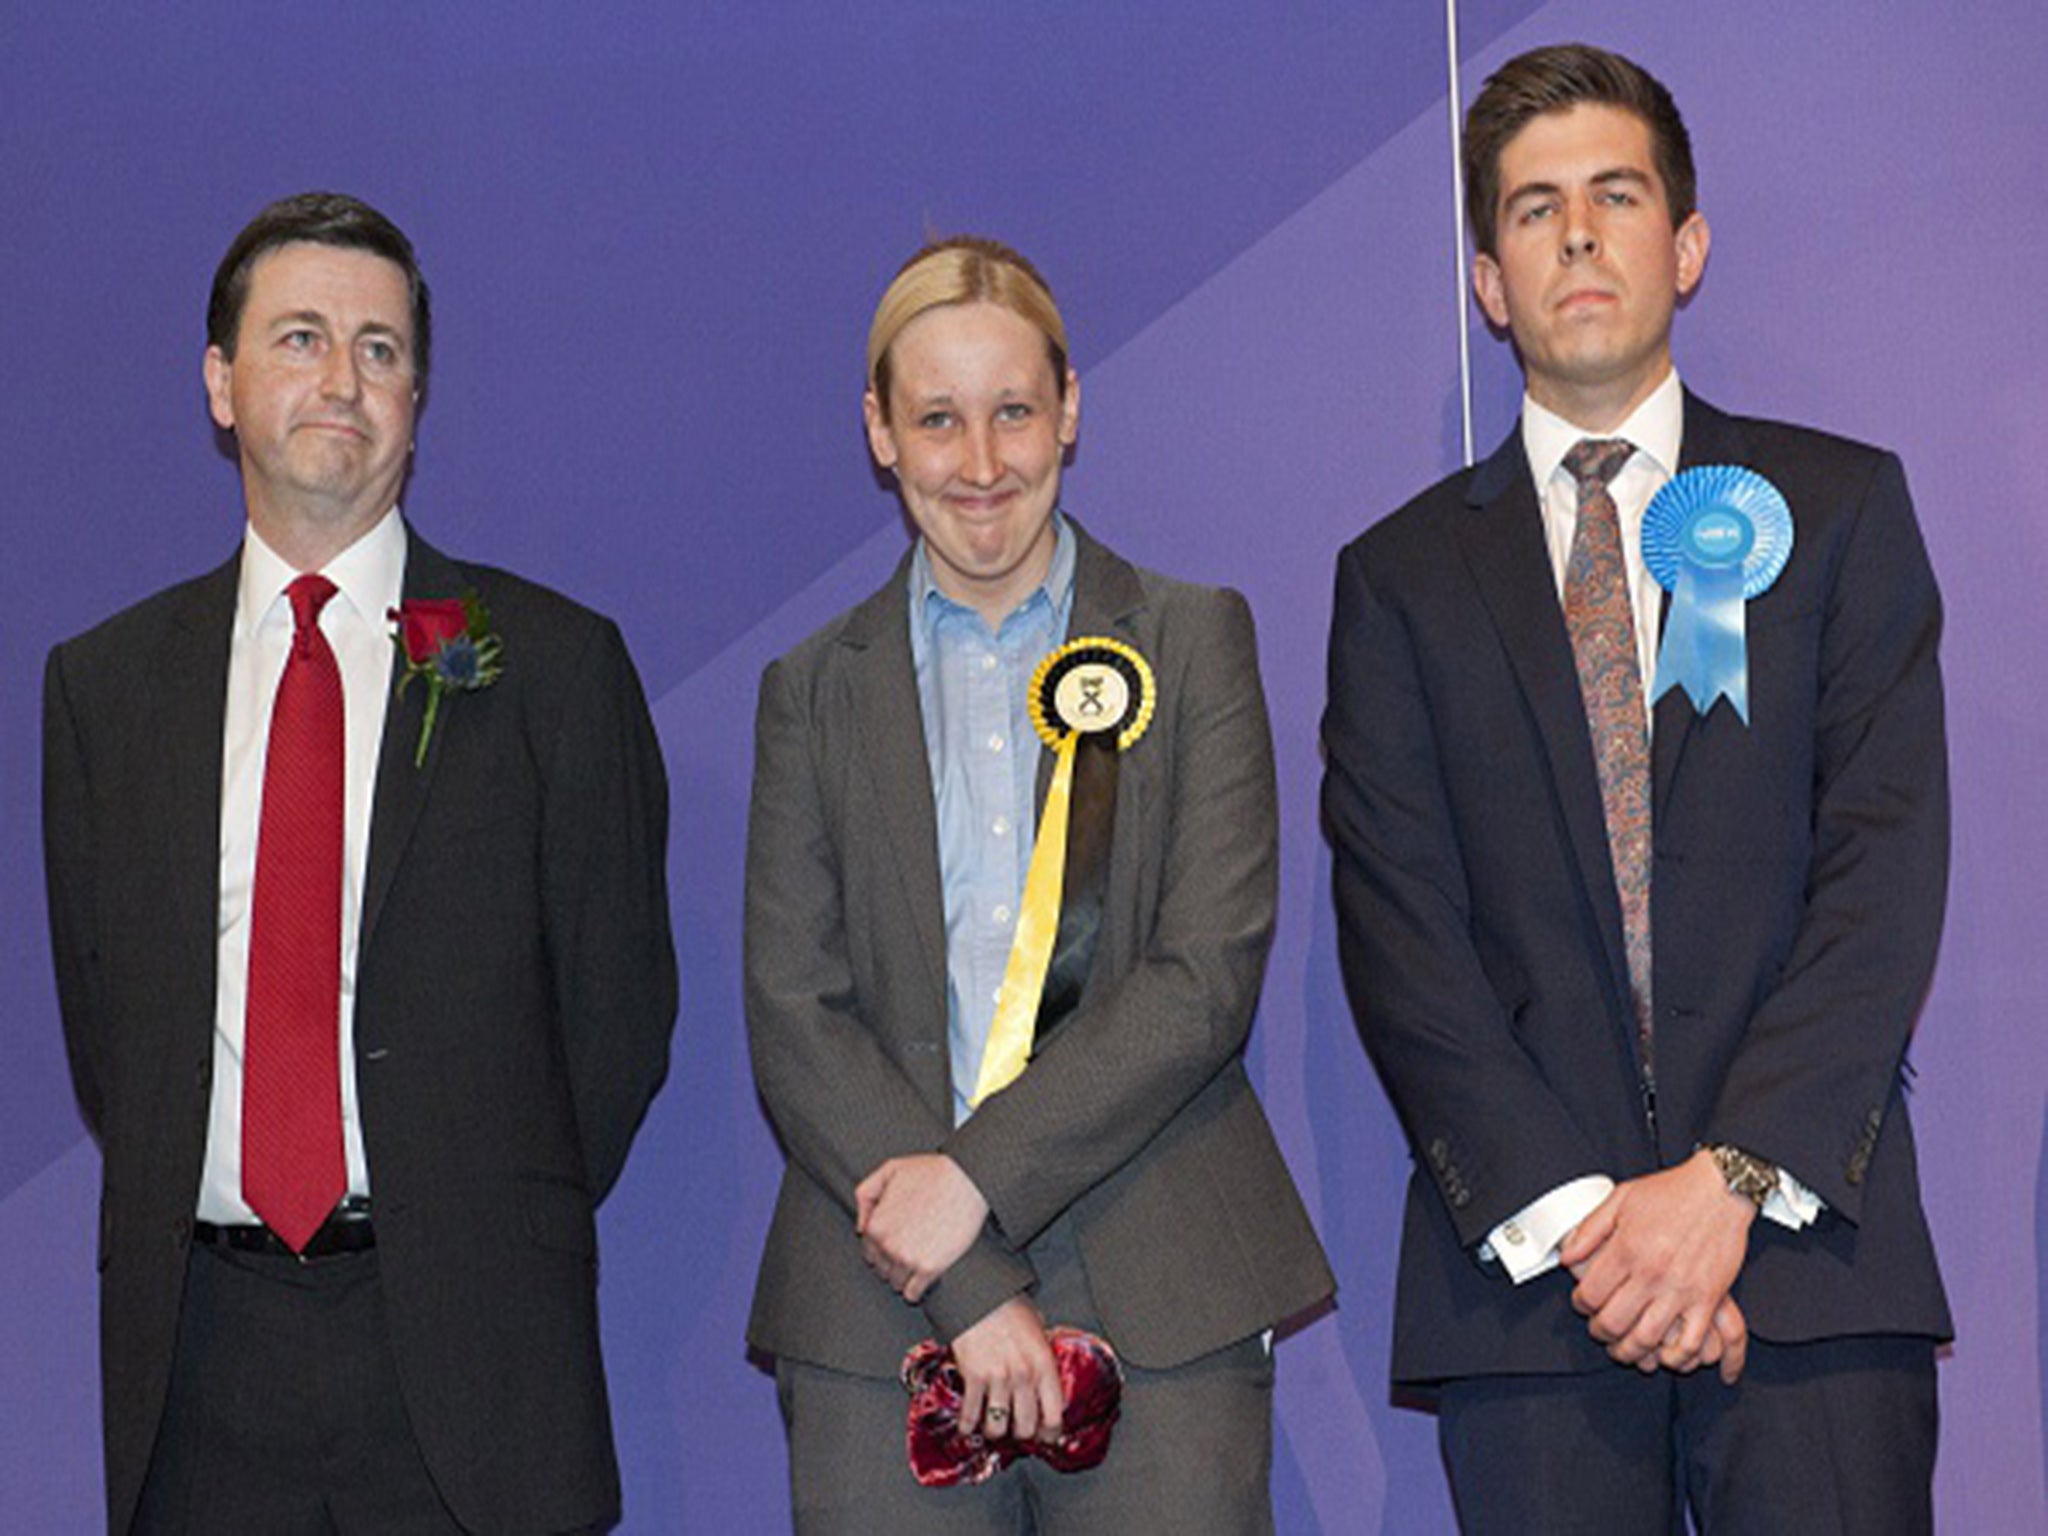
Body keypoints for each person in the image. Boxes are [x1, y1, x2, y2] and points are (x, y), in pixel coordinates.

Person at [1322, 43, 1950, 1533]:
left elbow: (1886, 868)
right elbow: (1402, 934)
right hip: (1542, 1304)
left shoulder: (1842, 510)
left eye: (1617, 194)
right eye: (1536, 210)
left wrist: (1724, 1188)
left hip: (1808, 1270)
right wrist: (1605, 1238)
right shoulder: (1397, 580)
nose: (1581, 234)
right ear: (1489, 278)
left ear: (1687, 245)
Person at [43, 191, 677, 1535]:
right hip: (197, 1367)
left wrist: (474, 1209)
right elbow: (113, 1034)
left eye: (381, 349)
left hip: (469, 1355)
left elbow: (617, 1025)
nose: (345, 378)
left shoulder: (554, 668)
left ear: (417, 396)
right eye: (301, 338)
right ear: (221, 385)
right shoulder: (105, 688)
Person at [744, 236, 1333, 1532]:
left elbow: (1206, 975)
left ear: (1070, 406)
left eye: (1015, 410)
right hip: (880, 1296)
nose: (983, 461)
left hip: (1161, 1275)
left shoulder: (1193, 637)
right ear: (880, 433)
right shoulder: (811, 691)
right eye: (938, 419)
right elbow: (796, 1011)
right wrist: (959, 1265)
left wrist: (977, 1185)